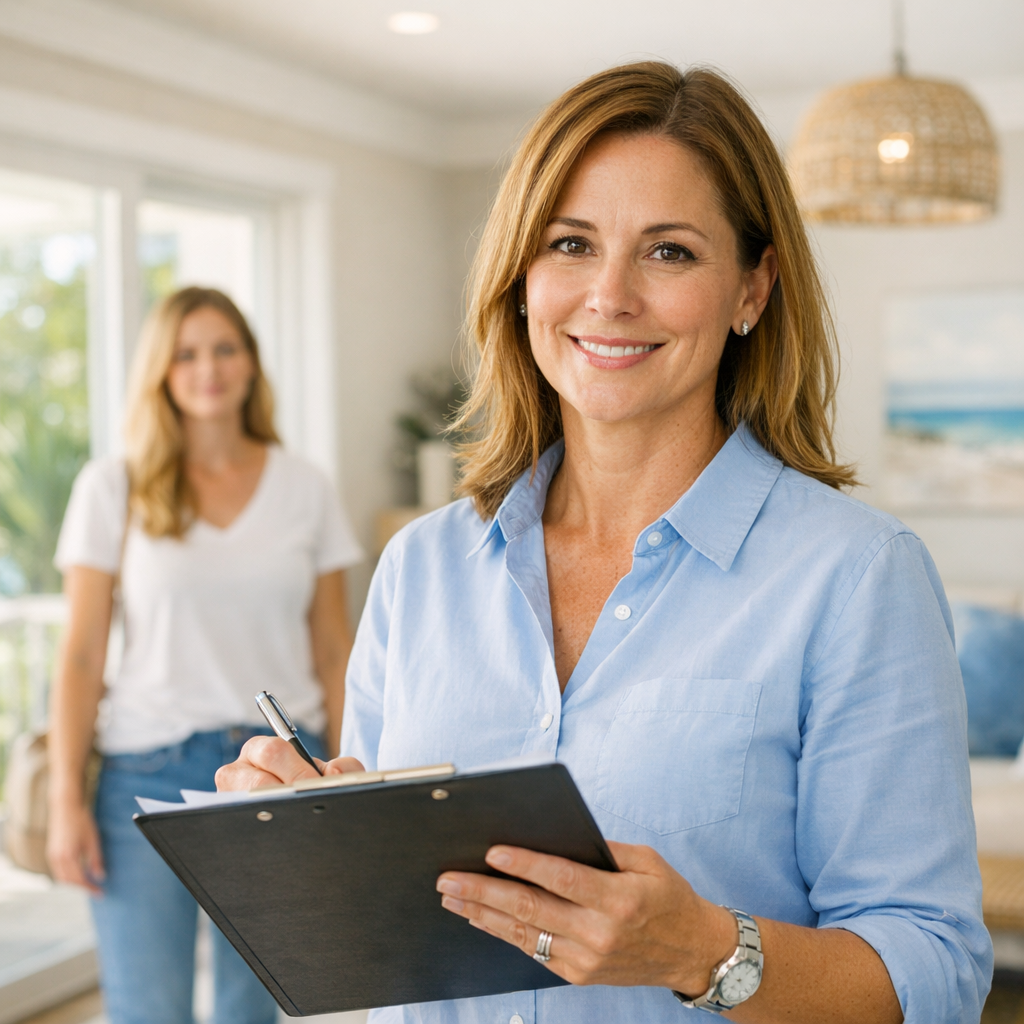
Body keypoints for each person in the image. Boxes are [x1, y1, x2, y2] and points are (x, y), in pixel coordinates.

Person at [218, 63, 992, 1023]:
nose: (610, 295)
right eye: (571, 244)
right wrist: (315, 838)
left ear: (752, 288)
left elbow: (935, 969)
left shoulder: (856, 577)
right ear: (523, 278)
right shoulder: (421, 568)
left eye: (668, 252)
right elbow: (382, 939)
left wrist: (708, 953)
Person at [47, 286, 362, 1024]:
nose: (208, 368)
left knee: (250, 1007)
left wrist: (352, 783)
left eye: (225, 348)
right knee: (146, 1006)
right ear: (159, 371)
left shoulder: (304, 487)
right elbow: (82, 654)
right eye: (185, 353)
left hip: (280, 774)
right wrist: (66, 801)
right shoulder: (113, 486)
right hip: (143, 772)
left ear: (251, 364)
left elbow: (333, 648)